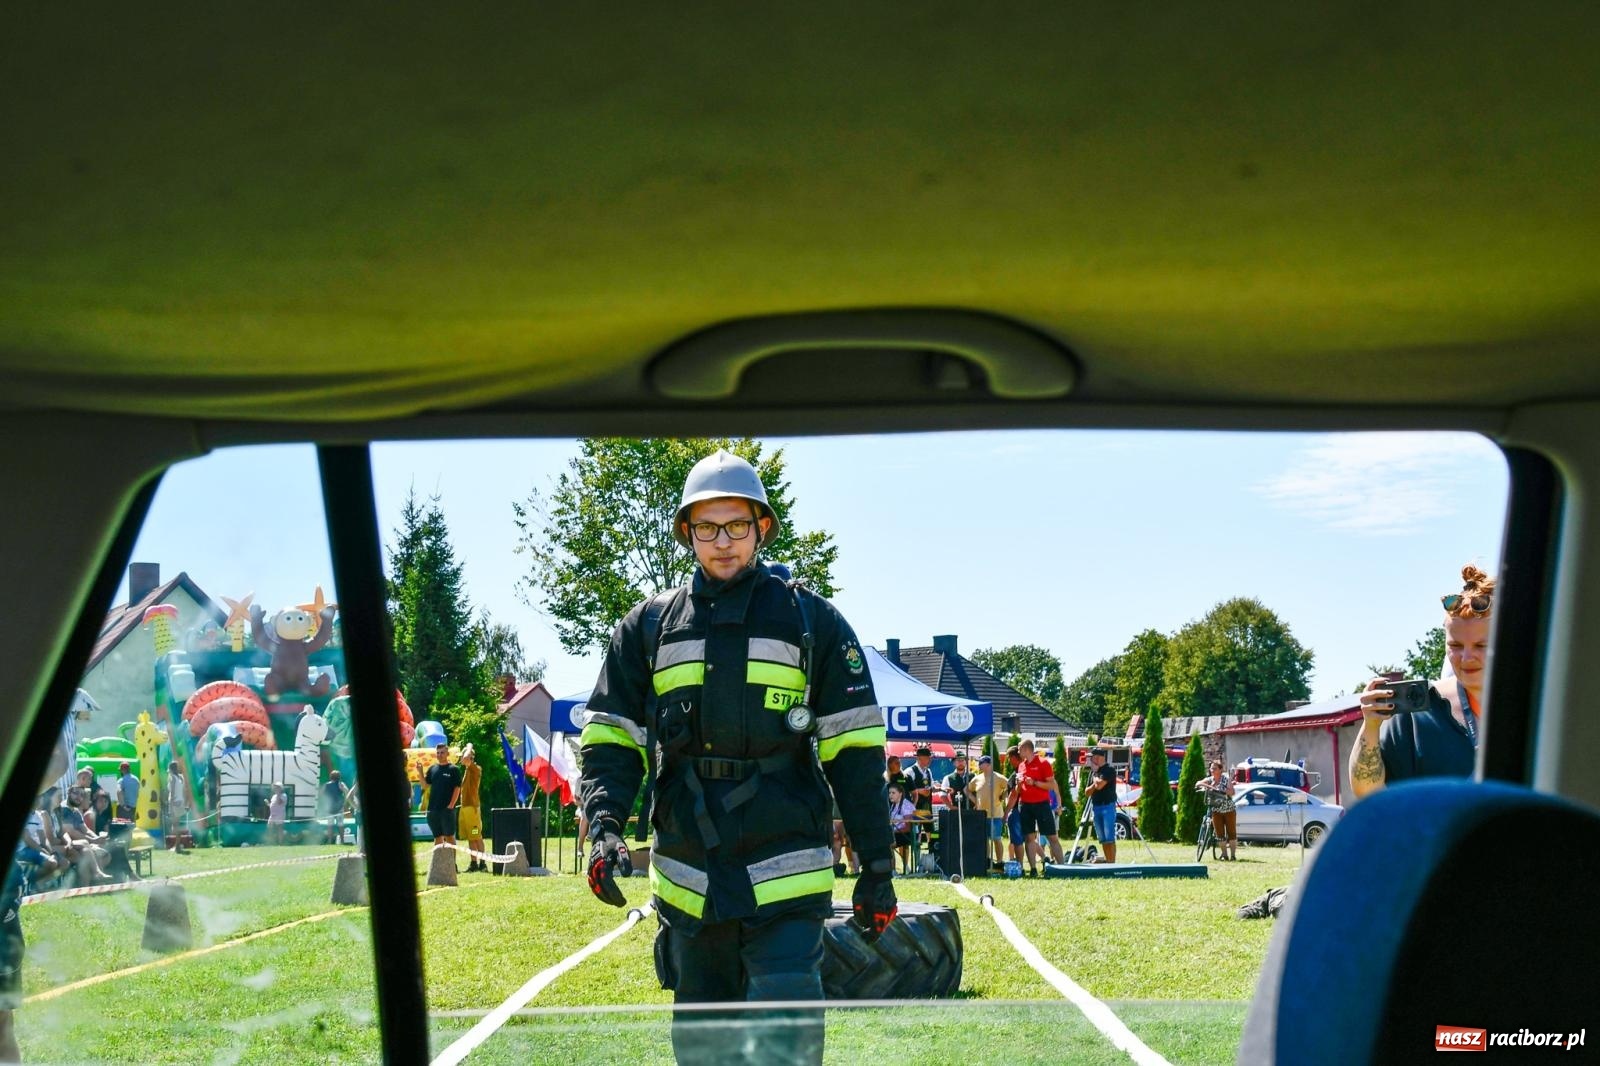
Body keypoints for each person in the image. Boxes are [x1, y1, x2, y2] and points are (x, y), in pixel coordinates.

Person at [578, 448, 895, 1066]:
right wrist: (605, 828)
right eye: (706, 527)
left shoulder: (816, 623)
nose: (722, 542)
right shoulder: (647, 629)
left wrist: (877, 869)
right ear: (686, 532)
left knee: (785, 1049)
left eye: (736, 526)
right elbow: (611, 741)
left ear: (762, 528)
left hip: (788, 874)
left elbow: (855, 754)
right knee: (704, 1053)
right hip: (689, 882)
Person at [1349, 565, 1494, 799]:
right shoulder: (1418, 711)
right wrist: (1371, 726)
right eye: (1455, 646)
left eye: (1481, 646)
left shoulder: (1542, 706)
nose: (1466, 658)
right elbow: (1367, 793)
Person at [1015, 739, 1064, 866]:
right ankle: (1032, 869)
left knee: (1052, 837)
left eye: (1019, 749)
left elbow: (1051, 785)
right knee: (1029, 838)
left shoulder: (1043, 763)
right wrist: (1019, 785)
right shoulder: (1021, 765)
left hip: (1042, 804)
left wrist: (1035, 782)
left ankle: (1063, 867)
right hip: (1025, 805)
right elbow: (1018, 790)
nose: (1018, 751)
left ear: (1026, 749)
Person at [964, 753, 1010, 871]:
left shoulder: (999, 777)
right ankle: (987, 860)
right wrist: (975, 802)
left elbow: (1010, 787)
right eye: (979, 762)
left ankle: (999, 862)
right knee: (984, 840)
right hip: (981, 815)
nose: (979, 765)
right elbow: (966, 790)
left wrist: (1002, 796)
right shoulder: (977, 778)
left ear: (989, 764)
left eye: (982, 762)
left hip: (996, 815)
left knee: (996, 839)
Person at [423, 744, 462, 852]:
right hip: (433, 809)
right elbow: (425, 786)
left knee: (449, 836)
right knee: (437, 837)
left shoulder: (453, 769)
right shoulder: (432, 769)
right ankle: (439, 865)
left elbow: (457, 788)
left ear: (447, 754)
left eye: (442, 752)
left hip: (447, 810)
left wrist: (451, 805)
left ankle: (452, 865)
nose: (439, 755)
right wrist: (420, 772)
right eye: (438, 752)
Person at [1084, 748, 1119, 863]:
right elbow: (1087, 792)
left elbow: (1099, 785)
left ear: (1099, 757)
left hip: (1108, 806)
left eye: (1092, 757)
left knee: (1109, 838)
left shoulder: (1109, 770)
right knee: (1103, 839)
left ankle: (1112, 863)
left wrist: (1095, 779)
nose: (1091, 760)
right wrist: (1095, 780)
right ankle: (1108, 862)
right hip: (1096, 807)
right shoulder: (1093, 772)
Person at [1197, 759, 1237, 861]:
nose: (1212, 770)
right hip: (1216, 809)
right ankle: (1224, 855)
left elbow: (1232, 792)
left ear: (1220, 770)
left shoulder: (1225, 779)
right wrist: (1207, 786)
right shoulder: (1210, 779)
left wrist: (1222, 790)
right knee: (1219, 833)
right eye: (1211, 768)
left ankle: (1232, 855)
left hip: (1228, 809)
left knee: (1231, 832)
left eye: (1214, 768)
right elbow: (1198, 783)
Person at [457, 745, 486, 872]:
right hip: (466, 809)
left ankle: (482, 863)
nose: (461, 760)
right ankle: (474, 863)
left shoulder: (475, 769)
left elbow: (466, 757)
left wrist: (469, 746)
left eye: (463, 757)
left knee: (476, 836)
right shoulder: (467, 770)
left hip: (472, 810)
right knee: (471, 837)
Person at [904, 744, 937, 823]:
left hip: (926, 807)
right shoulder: (910, 771)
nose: (930, 760)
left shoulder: (928, 771)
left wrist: (942, 789)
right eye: (927, 758)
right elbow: (902, 789)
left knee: (928, 830)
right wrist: (919, 791)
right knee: (916, 830)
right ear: (918, 758)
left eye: (930, 758)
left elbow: (931, 786)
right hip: (914, 807)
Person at [887, 784, 915, 873]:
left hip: (906, 835)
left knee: (888, 844)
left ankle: (893, 871)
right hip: (896, 833)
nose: (890, 795)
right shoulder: (893, 805)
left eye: (893, 793)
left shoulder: (906, 805)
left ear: (900, 794)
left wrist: (893, 831)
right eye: (889, 793)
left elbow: (908, 827)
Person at [319, 770, 350, 844]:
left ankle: (330, 841)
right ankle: (342, 841)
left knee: (330, 825)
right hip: (339, 808)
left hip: (329, 808)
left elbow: (321, 794)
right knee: (340, 825)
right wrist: (345, 802)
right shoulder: (340, 784)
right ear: (339, 777)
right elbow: (347, 792)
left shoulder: (326, 785)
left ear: (331, 777)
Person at [166, 760, 190, 849]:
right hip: (181, 802)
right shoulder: (181, 777)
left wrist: (171, 806)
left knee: (174, 826)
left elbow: (172, 792)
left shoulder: (172, 778)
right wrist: (186, 803)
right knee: (177, 825)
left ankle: (177, 845)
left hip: (174, 803)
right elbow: (185, 791)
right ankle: (177, 844)